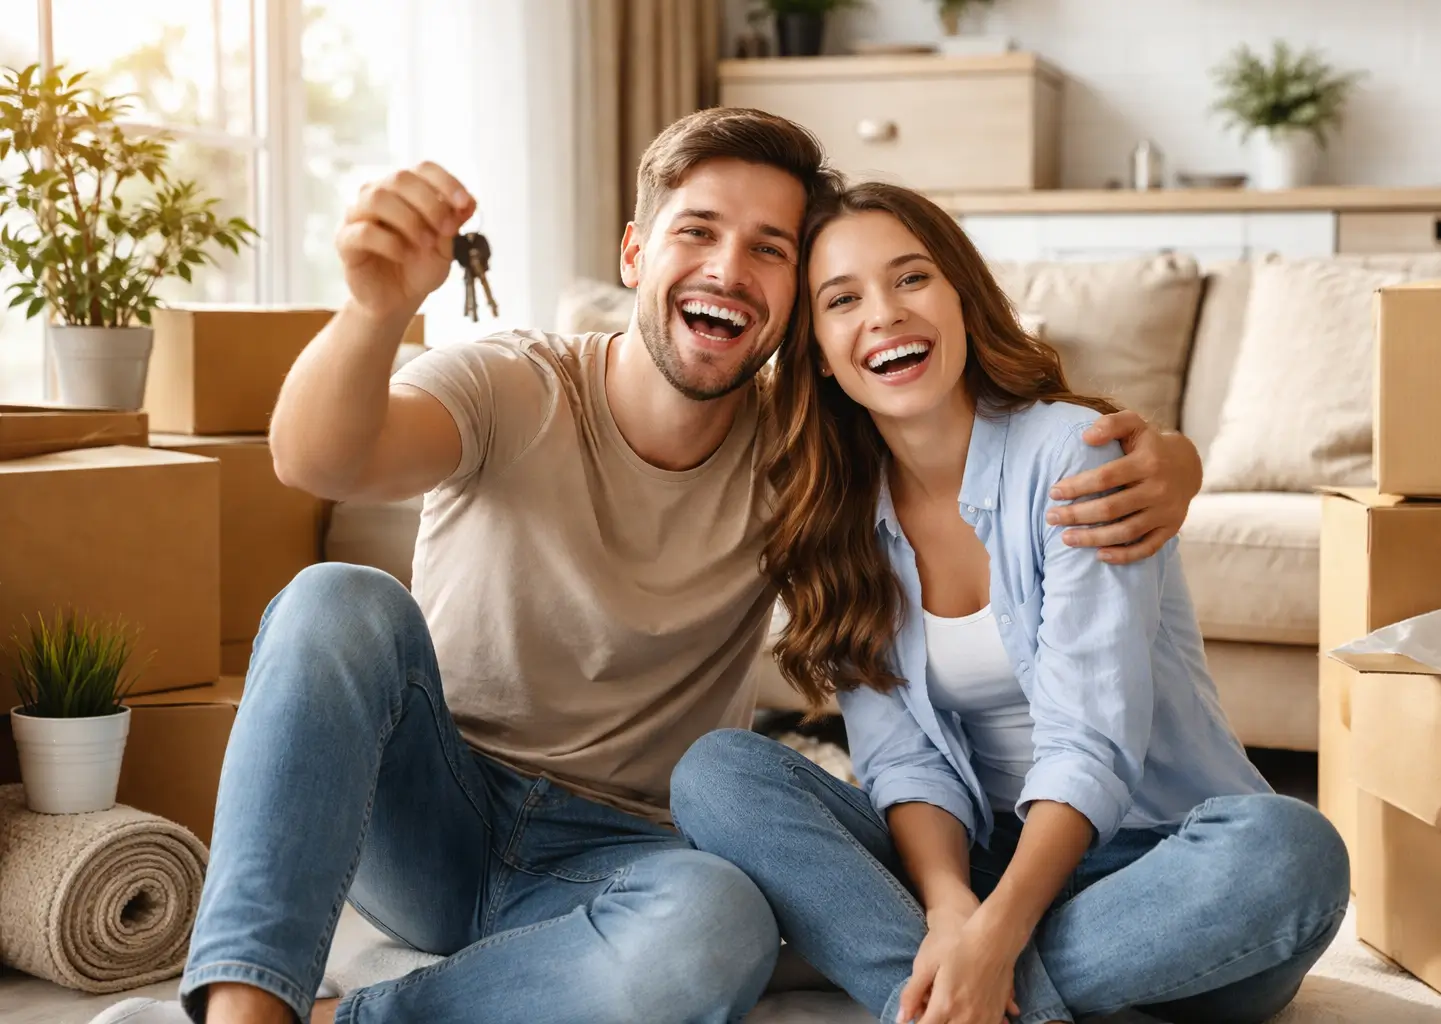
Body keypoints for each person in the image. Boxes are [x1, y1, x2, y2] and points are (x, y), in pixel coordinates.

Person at [91, 110, 1204, 1024]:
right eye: (699, 231)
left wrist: (1175, 462)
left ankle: (356, 1020)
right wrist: (378, 309)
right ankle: (245, 1011)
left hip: (621, 846)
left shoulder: (805, 456)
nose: (731, 266)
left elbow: (956, 447)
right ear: (635, 251)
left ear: (793, 313)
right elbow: (317, 455)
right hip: (433, 805)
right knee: (338, 600)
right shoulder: (512, 381)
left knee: (721, 928)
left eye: (772, 249)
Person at [670, 181, 1350, 1024]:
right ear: (816, 349)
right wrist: (954, 906)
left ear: (962, 296)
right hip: (979, 858)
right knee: (719, 773)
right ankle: (944, 989)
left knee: (1291, 852)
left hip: (1162, 869)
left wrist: (996, 936)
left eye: (911, 279)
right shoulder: (832, 513)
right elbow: (901, 759)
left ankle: (916, 979)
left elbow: (1088, 738)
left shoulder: (1072, 455)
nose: (883, 314)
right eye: (842, 299)